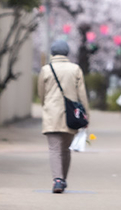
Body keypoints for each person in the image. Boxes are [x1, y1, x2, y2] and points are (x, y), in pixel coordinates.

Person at [38, 38, 91, 194]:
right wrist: (86, 115)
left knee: (54, 148)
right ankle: (63, 179)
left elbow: (41, 93)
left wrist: (45, 106)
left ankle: (58, 180)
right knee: (65, 148)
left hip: (51, 113)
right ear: (67, 52)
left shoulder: (46, 70)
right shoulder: (75, 69)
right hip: (71, 115)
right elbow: (82, 94)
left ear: (52, 53)